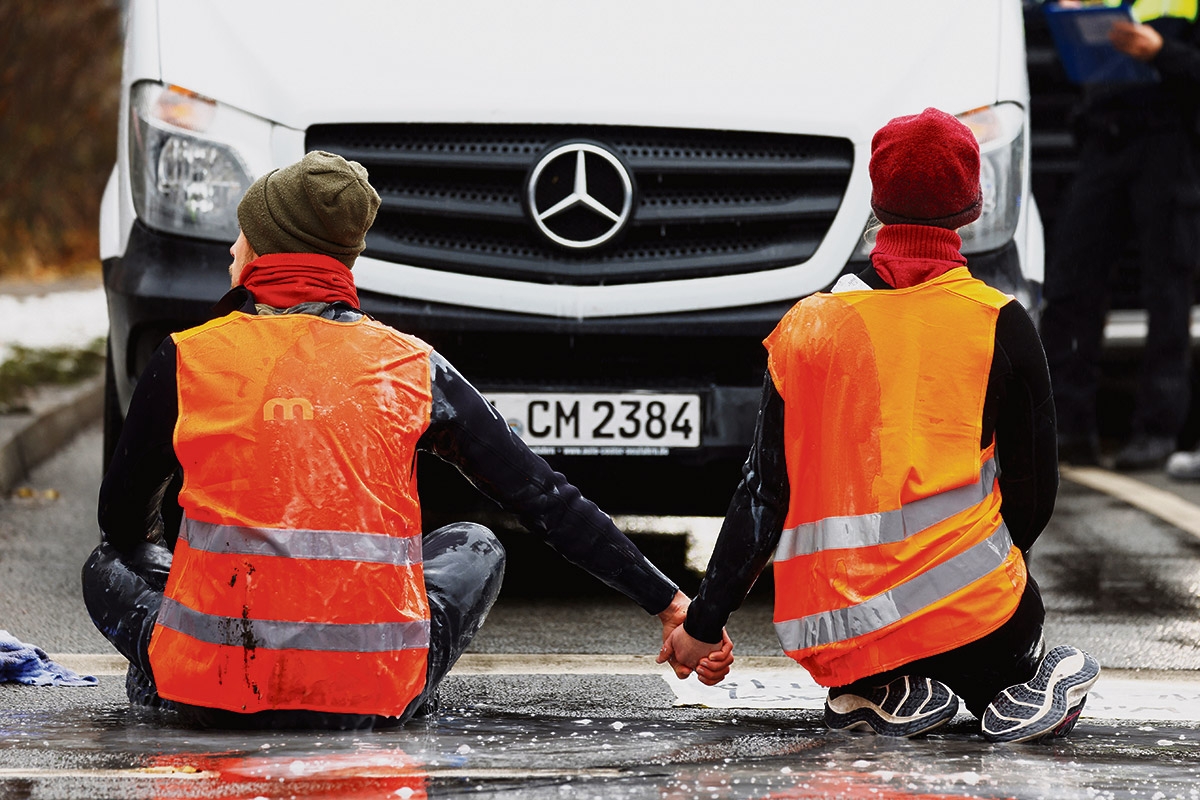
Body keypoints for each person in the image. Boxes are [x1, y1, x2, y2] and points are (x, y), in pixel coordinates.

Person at [82, 150, 732, 730]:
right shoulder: (410, 367)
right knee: (478, 543)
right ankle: (391, 684)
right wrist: (672, 604)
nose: (230, 252)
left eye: (240, 238)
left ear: (261, 253)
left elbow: (122, 524)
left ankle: (169, 676)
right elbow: (544, 499)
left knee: (106, 564)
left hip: (210, 691)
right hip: (371, 690)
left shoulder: (188, 358)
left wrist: (201, 591)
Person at [657, 108, 1100, 743]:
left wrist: (701, 626)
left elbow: (762, 497)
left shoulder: (808, 326)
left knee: (861, 671)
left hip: (843, 636)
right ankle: (1021, 682)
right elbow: (1035, 498)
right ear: (972, 208)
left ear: (876, 202)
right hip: (981, 624)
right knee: (1003, 627)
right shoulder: (1000, 322)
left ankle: (878, 694)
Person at [1040, 0, 1200, 470]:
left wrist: (1161, 51)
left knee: (1166, 289)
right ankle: (1069, 429)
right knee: (1071, 286)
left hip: (1169, 146)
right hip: (1102, 140)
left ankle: (1157, 430)